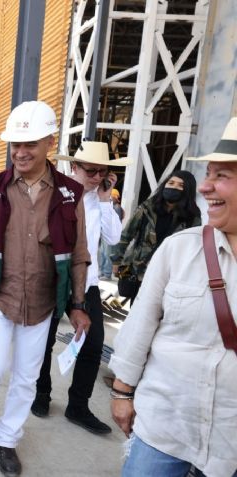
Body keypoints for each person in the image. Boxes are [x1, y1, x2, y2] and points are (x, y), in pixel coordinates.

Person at [0, 101, 91, 476]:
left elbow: (79, 254)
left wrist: (77, 304)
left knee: (27, 378)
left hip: (43, 304)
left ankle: (8, 440)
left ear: (49, 141)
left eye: (30, 143)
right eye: (15, 143)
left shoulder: (70, 194)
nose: (21, 152)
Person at [109, 117, 237, 477]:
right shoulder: (174, 242)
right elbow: (141, 325)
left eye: (221, 176)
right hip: (166, 427)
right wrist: (122, 392)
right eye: (207, 175)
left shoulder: (190, 215)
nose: (206, 186)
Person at [32, 141, 128, 434]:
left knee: (94, 343)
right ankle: (41, 394)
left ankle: (78, 406)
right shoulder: (56, 193)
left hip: (88, 283)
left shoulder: (99, 201)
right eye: (91, 170)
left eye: (103, 172)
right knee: (42, 343)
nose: (97, 176)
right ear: (75, 167)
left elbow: (112, 239)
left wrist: (103, 201)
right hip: (53, 279)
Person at [110, 170, 202, 301]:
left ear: (188, 190)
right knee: (137, 309)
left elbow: (193, 249)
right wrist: (117, 261)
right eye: (171, 183)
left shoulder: (192, 217)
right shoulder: (148, 208)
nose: (174, 187)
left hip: (169, 275)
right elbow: (126, 235)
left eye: (180, 185)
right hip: (139, 271)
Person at [98, 189, 124, 279]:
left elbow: (113, 223)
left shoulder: (116, 208)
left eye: (111, 196)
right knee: (102, 253)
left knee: (107, 254)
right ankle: (102, 272)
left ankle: (107, 273)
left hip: (109, 235)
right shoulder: (112, 206)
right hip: (105, 233)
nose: (110, 198)